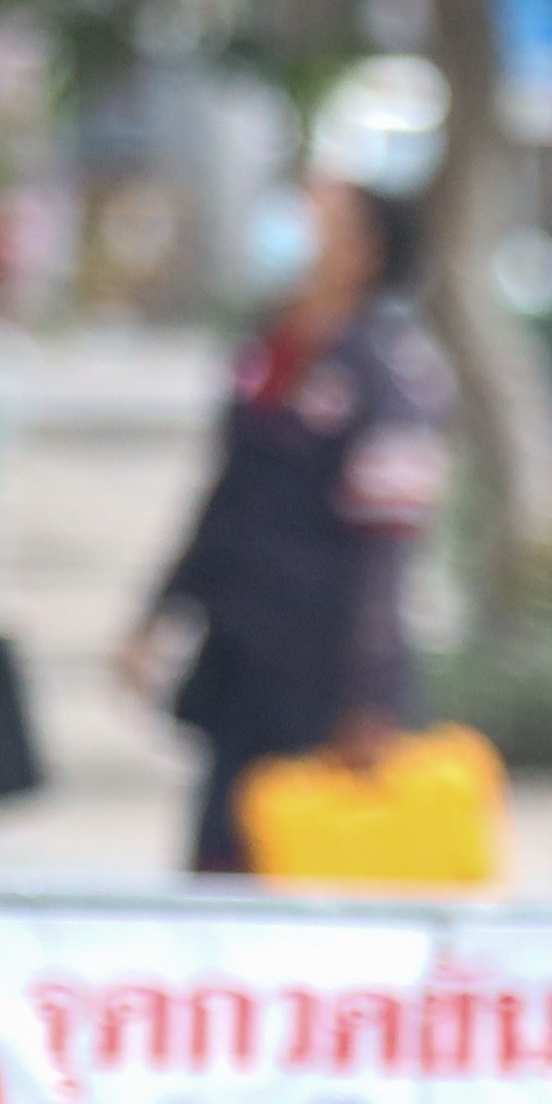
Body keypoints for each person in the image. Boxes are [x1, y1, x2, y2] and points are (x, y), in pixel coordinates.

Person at [131, 177, 452, 874]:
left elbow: (386, 549)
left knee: (305, 876)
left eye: (316, 222)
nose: (290, 235)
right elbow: (225, 500)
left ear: (361, 253)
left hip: (326, 679)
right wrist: (158, 613)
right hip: (241, 665)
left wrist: (370, 696)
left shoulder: (386, 377)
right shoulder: (269, 355)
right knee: (222, 862)